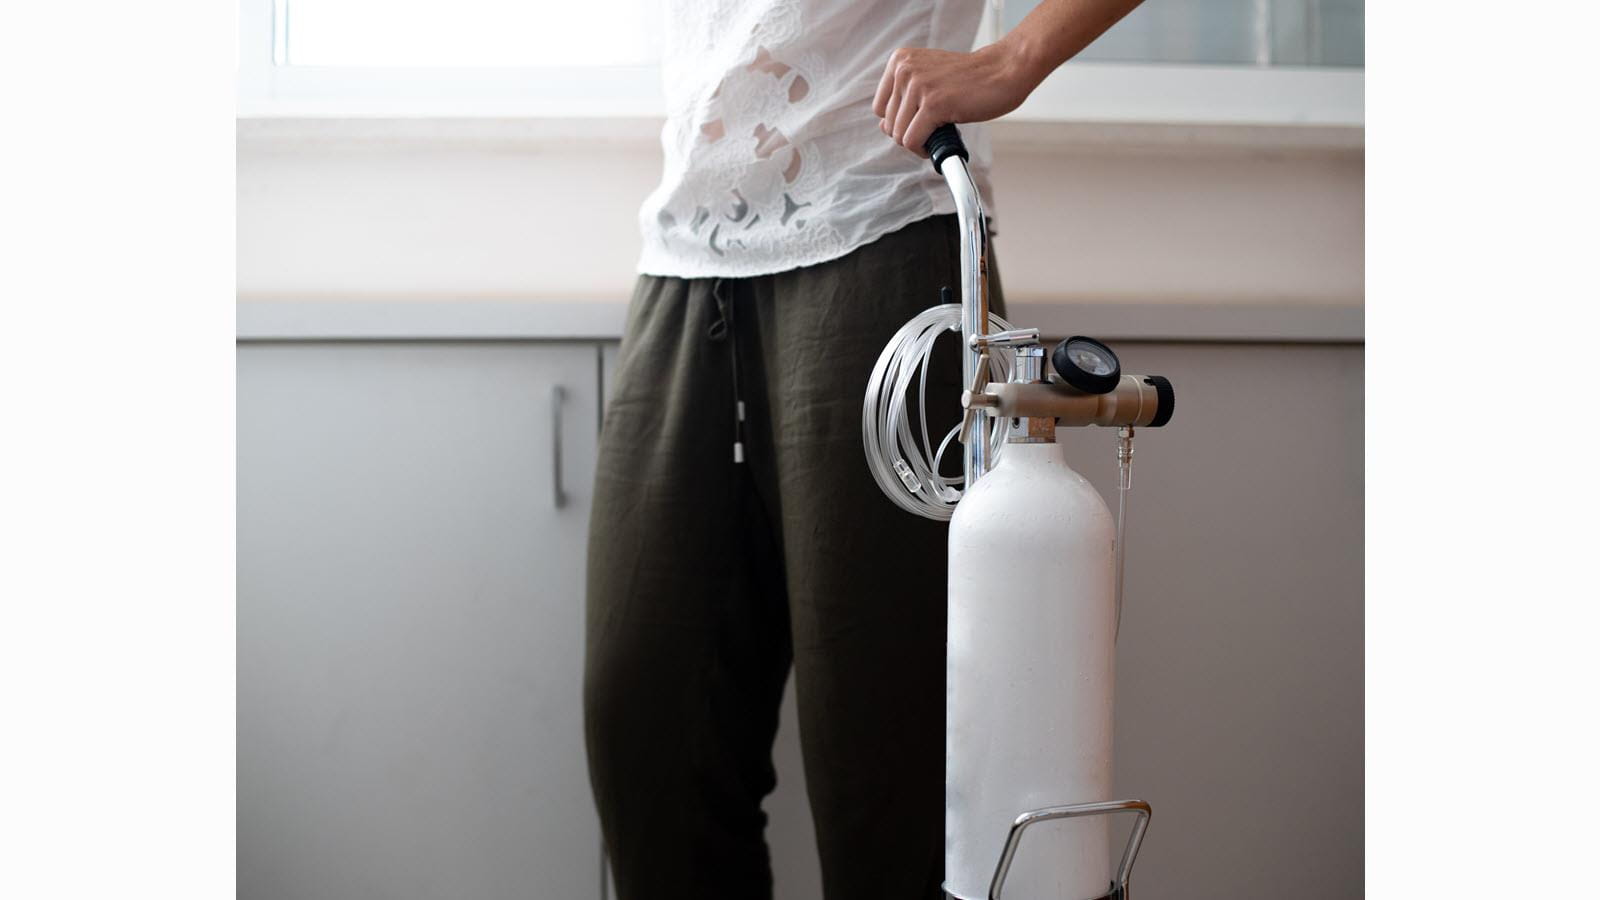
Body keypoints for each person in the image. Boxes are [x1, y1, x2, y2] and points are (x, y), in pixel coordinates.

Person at [584, 1, 1144, 897]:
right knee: (649, 747)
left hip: (881, 230)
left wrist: (1013, 59)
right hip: (687, 258)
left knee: (881, 776)